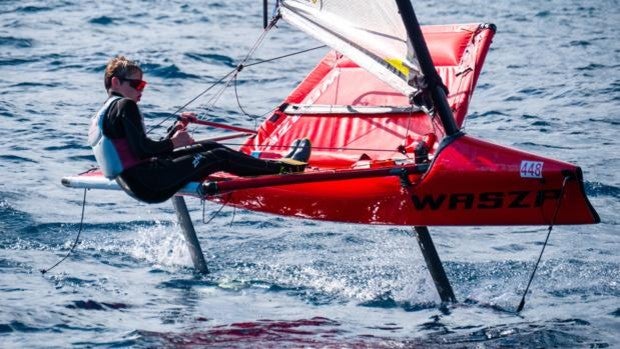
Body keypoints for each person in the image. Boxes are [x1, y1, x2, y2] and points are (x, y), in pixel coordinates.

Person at [88, 55, 311, 203]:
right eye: (136, 84)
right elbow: (143, 151)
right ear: (115, 82)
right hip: (149, 182)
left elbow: (141, 152)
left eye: (143, 84)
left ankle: (279, 165)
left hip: (140, 182)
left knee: (210, 146)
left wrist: (176, 130)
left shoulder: (105, 111)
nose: (141, 89)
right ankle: (286, 169)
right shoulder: (125, 105)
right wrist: (175, 142)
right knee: (218, 155)